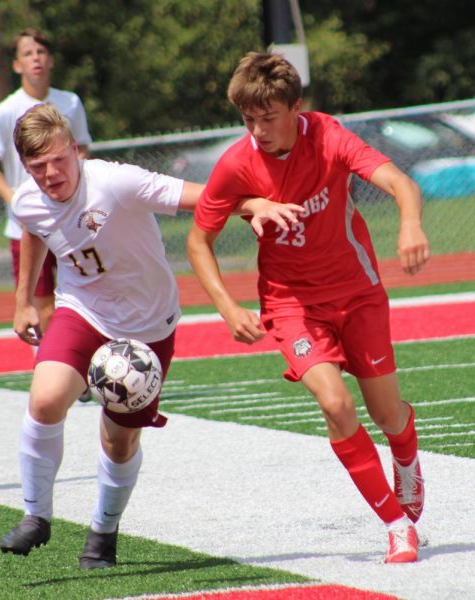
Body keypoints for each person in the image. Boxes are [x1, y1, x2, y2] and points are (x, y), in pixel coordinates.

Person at [0, 103, 300, 569]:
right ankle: (36, 516)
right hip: (84, 313)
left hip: (147, 327)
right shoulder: (26, 199)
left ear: (75, 151)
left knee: (119, 442)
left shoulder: (116, 182)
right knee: (44, 401)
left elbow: (202, 195)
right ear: (26, 167)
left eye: (59, 160)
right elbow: (34, 229)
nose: (52, 173)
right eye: (38, 167)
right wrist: (24, 301)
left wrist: (253, 204)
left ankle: (103, 531)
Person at [186, 51, 430, 564]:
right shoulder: (237, 163)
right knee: (336, 405)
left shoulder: (330, 137)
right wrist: (228, 308)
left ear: (296, 108)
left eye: (268, 117)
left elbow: (400, 184)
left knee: (388, 413)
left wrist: (410, 224)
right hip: (292, 305)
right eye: (248, 119)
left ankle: (405, 456)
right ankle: (396, 524)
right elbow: (197, 243)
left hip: (358, 291)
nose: (258, 129)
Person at [0, 28, 91, 337]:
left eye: (40, 52)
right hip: (28, 225)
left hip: (71, 217)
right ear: (17, 65)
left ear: (51, 60)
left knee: (83, 294)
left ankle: (80, 365)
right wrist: (14, 199)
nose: (36, 58)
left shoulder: (69, 103)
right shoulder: (6, 110)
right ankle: (54, 366)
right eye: (27, 53)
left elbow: (81, 148)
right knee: (43, 305)